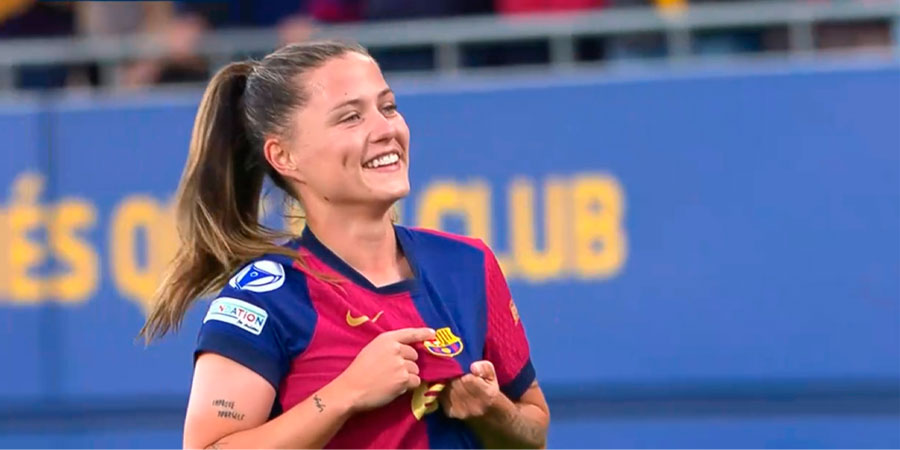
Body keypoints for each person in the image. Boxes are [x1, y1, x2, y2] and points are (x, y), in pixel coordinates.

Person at [139, 40, 550, 449]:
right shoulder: (265, 300)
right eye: (351, 117)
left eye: (388, 107)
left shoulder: (467, 264)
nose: (386, 129)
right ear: (284, 157)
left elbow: (534, 433)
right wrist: (345, 393)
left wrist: (493, 409)